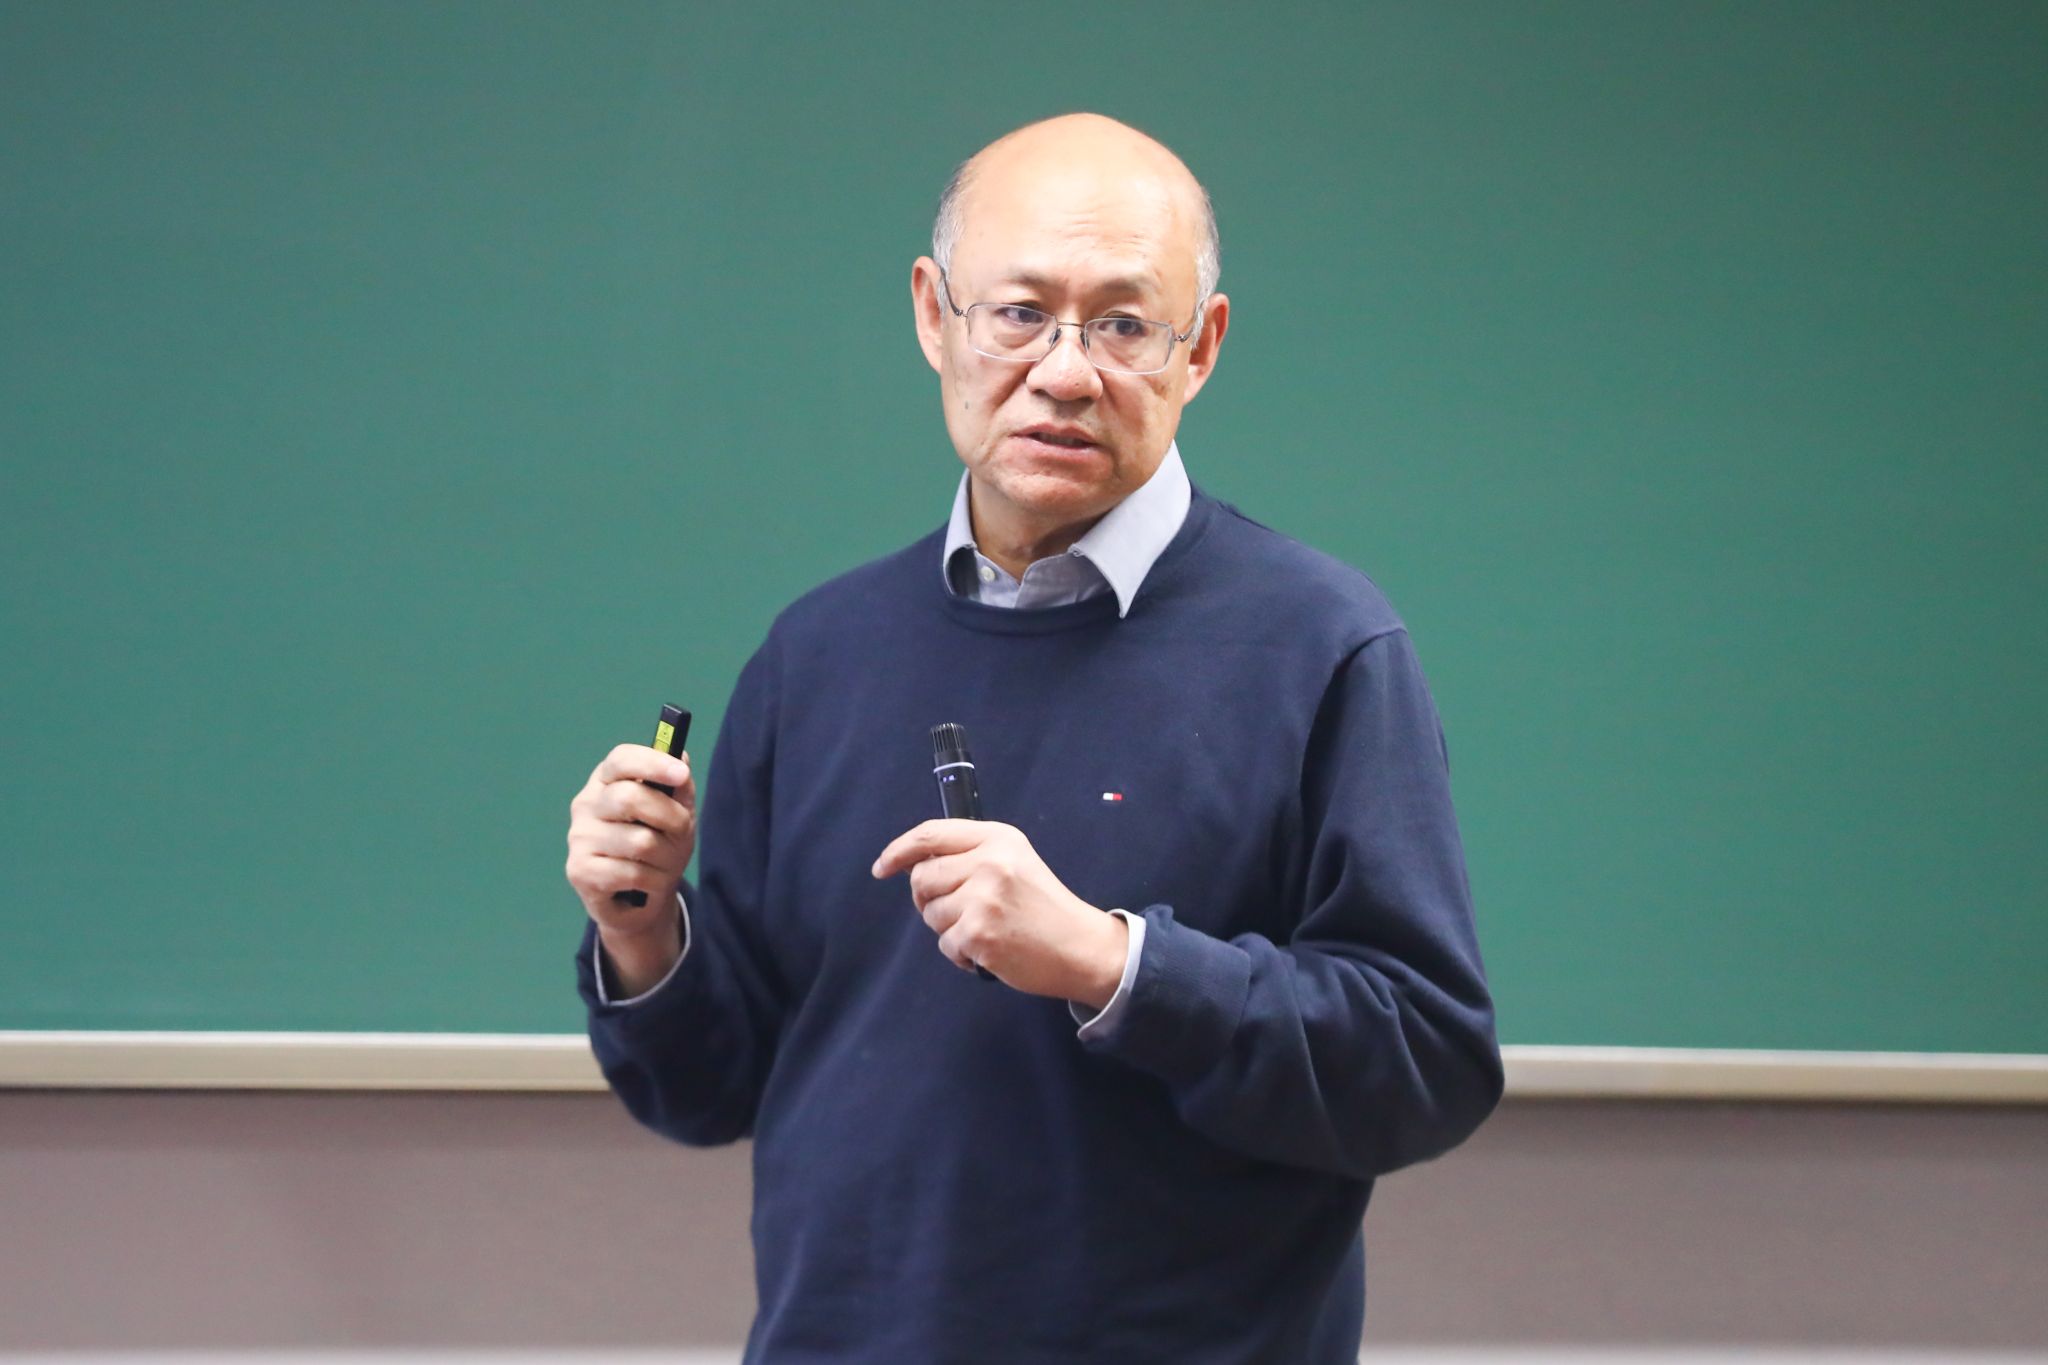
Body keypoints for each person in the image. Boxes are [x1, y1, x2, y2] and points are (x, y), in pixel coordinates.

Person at [563, 112, 1502, 1363]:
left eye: (1121, 325)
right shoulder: (818, 652)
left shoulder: (1320, 646)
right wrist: (640, 931)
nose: (1064, 372)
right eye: (1017, 314)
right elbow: (708, 1089)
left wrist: (1114, 966)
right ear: (932, 316)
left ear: (1200, 348)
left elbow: (1421, 1068)